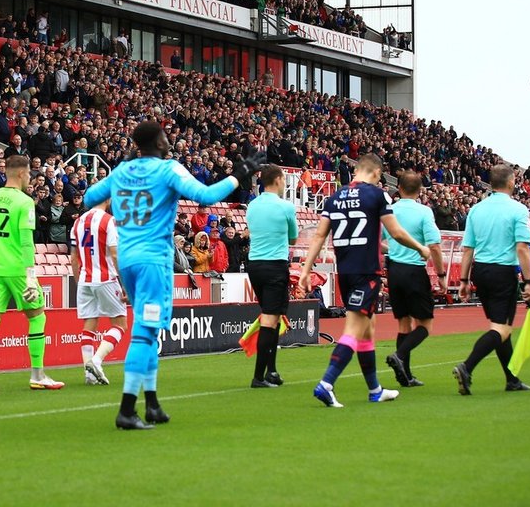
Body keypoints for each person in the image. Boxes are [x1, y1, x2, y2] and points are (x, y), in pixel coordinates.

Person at [83, 121, 263, 429]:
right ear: (160, 141)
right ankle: (127, 409)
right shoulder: (168, 169)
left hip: (126, 260)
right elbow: (205, 196)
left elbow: (89, 198)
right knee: (144, 331)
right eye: (166, 136)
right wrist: (239, 174)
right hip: (153, 261)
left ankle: (151, 402)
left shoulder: (122, 171)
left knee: (149, 331)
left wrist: (122, 172)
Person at [299, 154, 430, 409]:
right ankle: (326, 384)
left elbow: (319, 236)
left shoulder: (334, 198)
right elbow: (396, 232)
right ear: (376, 172)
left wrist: (306, 269)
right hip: (366, 274)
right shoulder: (377, 195)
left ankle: (375, 389)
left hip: (345, 273)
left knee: (368, 329)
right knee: (354, 330)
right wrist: (420, 248)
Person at [0, 154, 64, 393]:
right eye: (29, 175)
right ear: (23, 173)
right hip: (18, 269)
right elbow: (26, 241)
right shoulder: (24, 202)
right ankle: (38, 375)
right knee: (37, 317)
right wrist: (31, 274)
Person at [452, 164, 530, 395]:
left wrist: (463, 281)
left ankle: (512, 379)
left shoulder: (477, 210)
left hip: (481, 271)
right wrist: (528, 282)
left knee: (502, 326)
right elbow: (522, 248)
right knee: (501, 328)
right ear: (511, 182)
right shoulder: (518, 210)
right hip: (502, 272)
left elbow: (468, 249)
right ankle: (467, 367)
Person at [384, 171, 446, 388]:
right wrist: (441, 275)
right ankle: (399, 356)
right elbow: (435, 246)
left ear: (399, 188)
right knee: (425, 324)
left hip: (394, 270)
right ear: (420, 191)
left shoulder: (390, 210)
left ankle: (406, 375)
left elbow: (379, 240)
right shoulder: (423, 212)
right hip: (414, 271)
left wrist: (392, 249)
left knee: (404, 323)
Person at [244, 165, 298, 388]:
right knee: (269, 318)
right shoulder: (286, 206)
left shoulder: (251, 206)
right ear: (277, 180)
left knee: (273, 317)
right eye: (284, 179)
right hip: (275, 264)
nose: (285, 183)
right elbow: (293, 239)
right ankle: (259, 376)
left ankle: (272, 370)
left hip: (255, 264)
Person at [70, 203, 126, 387]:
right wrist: (125, 285)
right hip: (105, 278)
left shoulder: (77, 222)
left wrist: (79, 282)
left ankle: (89, 374)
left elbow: (73, 257)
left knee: (89, 323)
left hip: (85, 279)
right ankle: (96, 360)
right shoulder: (108, 221)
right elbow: (115, 255)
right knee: (120, 324)